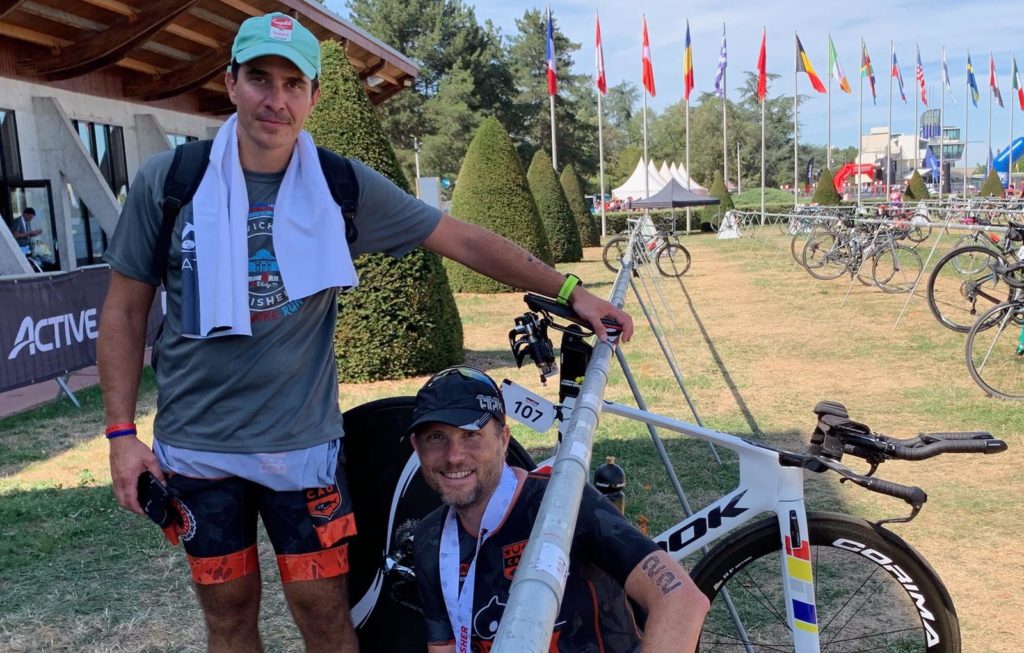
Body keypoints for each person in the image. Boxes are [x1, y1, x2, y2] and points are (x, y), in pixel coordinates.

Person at [96, 11, 633, 653]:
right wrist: (121, 435)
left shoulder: (338, 185)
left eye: (293, 84)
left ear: (314, 97)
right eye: (260, 78)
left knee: (326, 617)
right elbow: (124, 311)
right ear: (231, 82)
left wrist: (570, 293)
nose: (276, 99)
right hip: (198, 449)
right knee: (229, 616)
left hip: (302, 448)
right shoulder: (170, 181)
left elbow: (461, 238)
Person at [410, 367, 709, 652]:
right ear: (416, 445)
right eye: (436, 437)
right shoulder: (430, 539)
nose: (454, 456)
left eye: (471, 434)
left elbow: (681, 600)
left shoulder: (563, 502)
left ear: (503, 439)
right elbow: (445, 646)